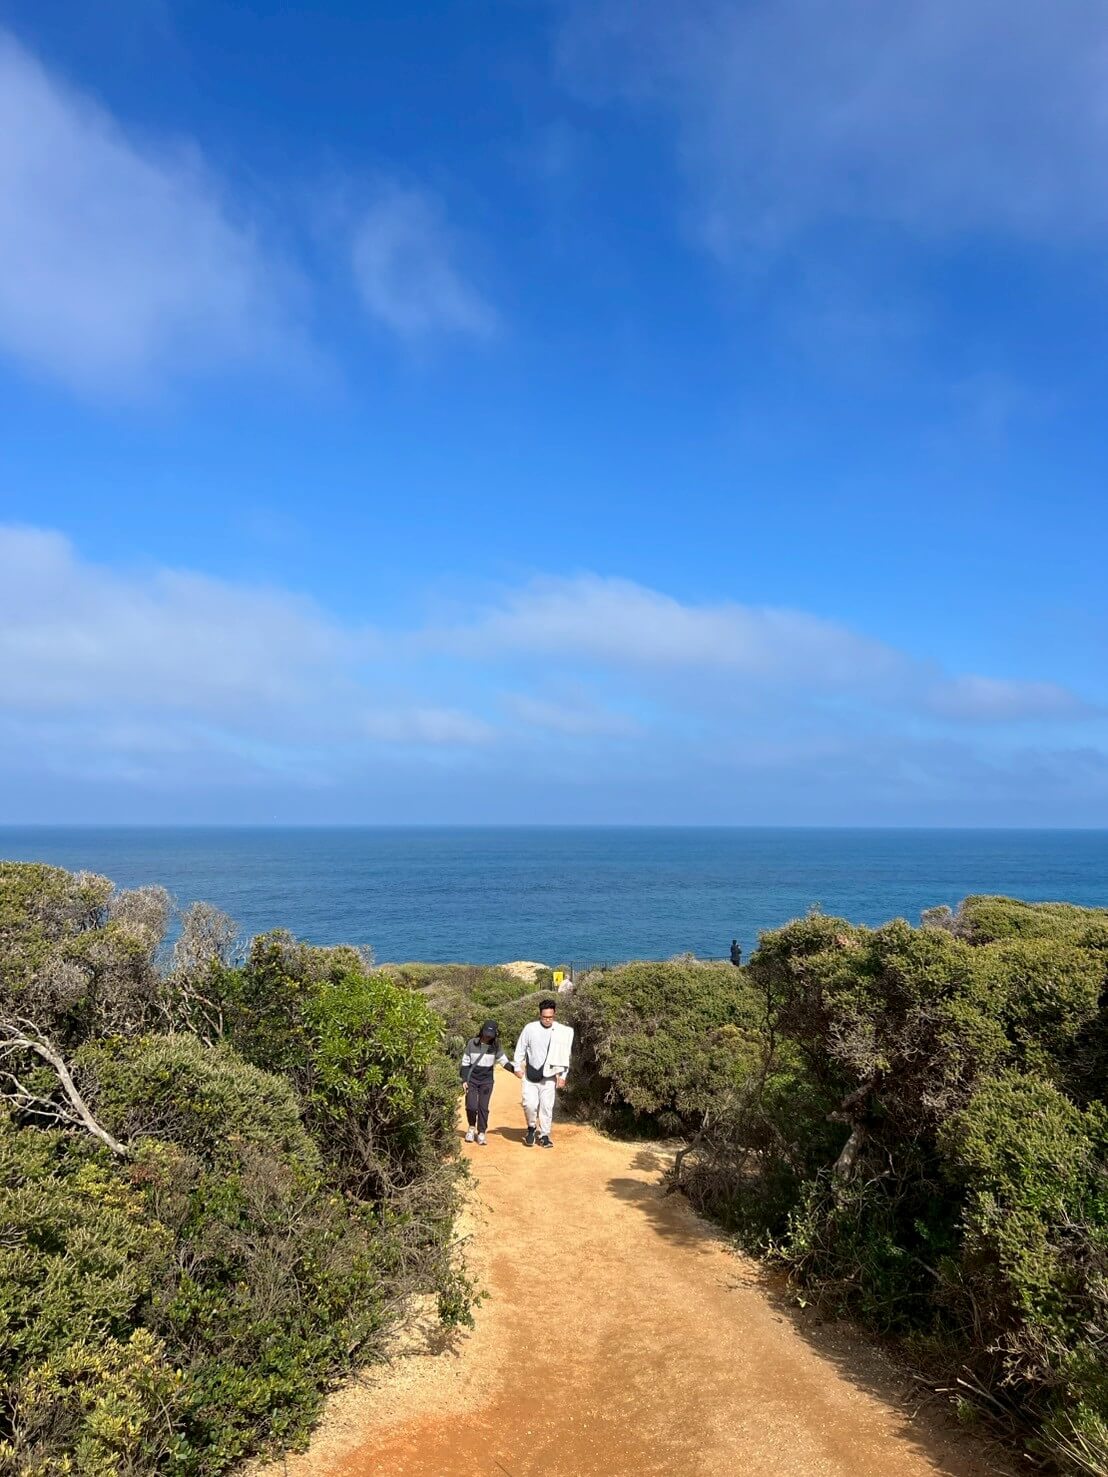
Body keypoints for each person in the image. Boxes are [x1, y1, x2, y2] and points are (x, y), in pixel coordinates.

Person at [513, 998, 573, 1149]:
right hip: (531, 1075)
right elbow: (520, 1048)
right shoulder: (530, 1028)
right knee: (529, 1105)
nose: (547, 1020)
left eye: (550, 1017)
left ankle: (545, 1135)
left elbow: (565, 1055)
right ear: (539, 1015)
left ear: (555, 1014)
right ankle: (531, 1129)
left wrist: (563, 1076)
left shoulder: (561, 1031)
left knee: (546, 1107)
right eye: (545, 1017)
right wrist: (517, 1067)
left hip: (549, 1077)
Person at [460, 1020, 512, 1145]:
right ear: (481, 1030)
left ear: (495, 1034)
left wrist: (515, 1070)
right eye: (486, 1032)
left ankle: (482, 1132)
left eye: (490, 1033)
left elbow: (503, 1061)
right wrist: (464, 1079)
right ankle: (471, 1127)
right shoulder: (472, 1043)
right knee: (471, 1106)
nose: (487, 1036)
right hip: (472, 1080)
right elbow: (465, 1062)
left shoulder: (496, 1046)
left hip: (486, 1081)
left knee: (483, 1107)